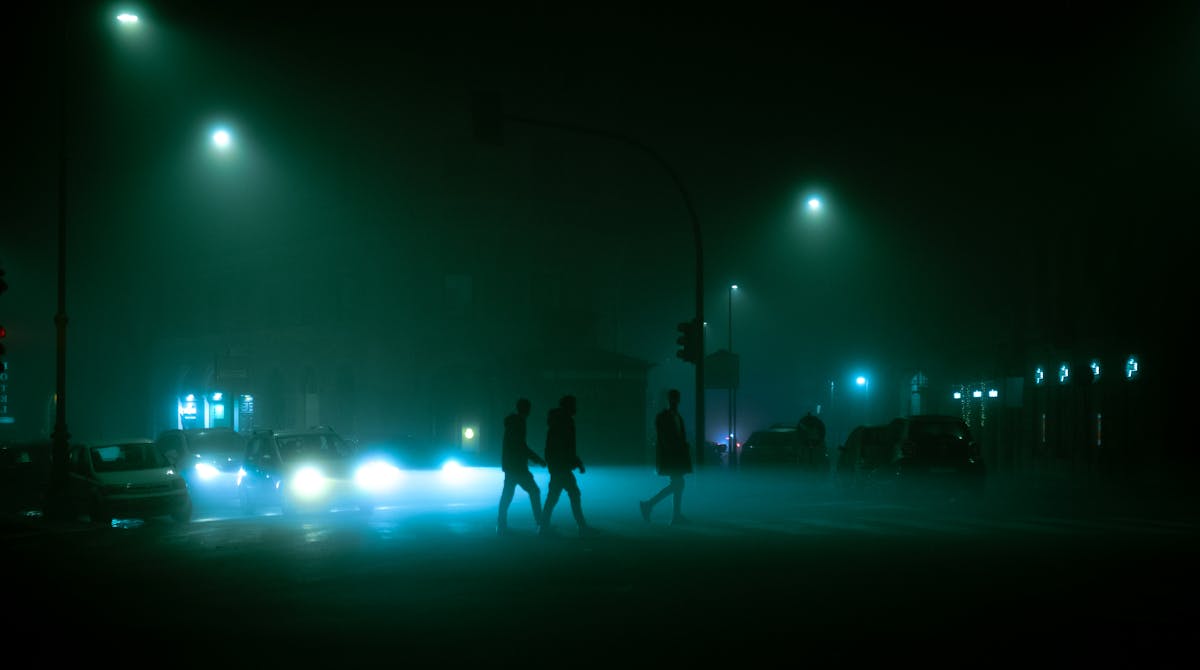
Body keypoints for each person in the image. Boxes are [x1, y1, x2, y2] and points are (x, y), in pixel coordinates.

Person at [539, 394, 594, 537]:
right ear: (569, 406)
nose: (576, 407)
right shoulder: (566, 422)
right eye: (574, 405)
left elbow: (554, 446)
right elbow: (568, 447)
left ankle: (544, 526)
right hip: (561, 466)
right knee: (573, 494)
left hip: (557, 465)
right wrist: (577, 462)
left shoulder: (556, 422)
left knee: (554, 496)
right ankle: (582, 527)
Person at [640, 388, 693, 525]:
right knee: (678, 483)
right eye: (672, 398)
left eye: (676, 398)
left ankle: (655, 507)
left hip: (676, 455)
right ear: (669, 399)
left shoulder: (675, 416)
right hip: (672, 456)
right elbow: (663, 438)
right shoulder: (665, 416)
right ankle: (654, 507)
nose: (674, 401)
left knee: (677, 484)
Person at [496, 397, 546, 536]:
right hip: (518, 466)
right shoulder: (519, 423)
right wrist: (538, 459)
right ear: (527, 409)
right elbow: (521, 446)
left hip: (511, 465)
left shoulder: (512, 423)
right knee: (534, 491)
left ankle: (501, 524)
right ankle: (540, 523)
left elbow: (517, 446)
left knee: (508, 495)